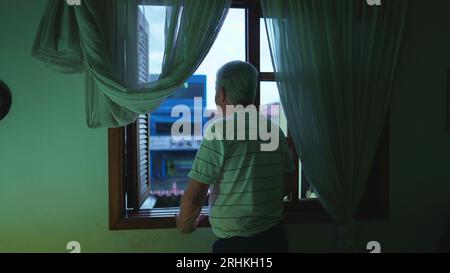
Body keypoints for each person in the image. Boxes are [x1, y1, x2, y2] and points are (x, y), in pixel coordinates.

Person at [175, 60, 294, 253]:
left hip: (237, 246)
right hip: (276, 239)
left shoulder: (218, 131)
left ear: (221, 94)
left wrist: (184, 225)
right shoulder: (274, 130)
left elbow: (195, 195)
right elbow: (286, 184)